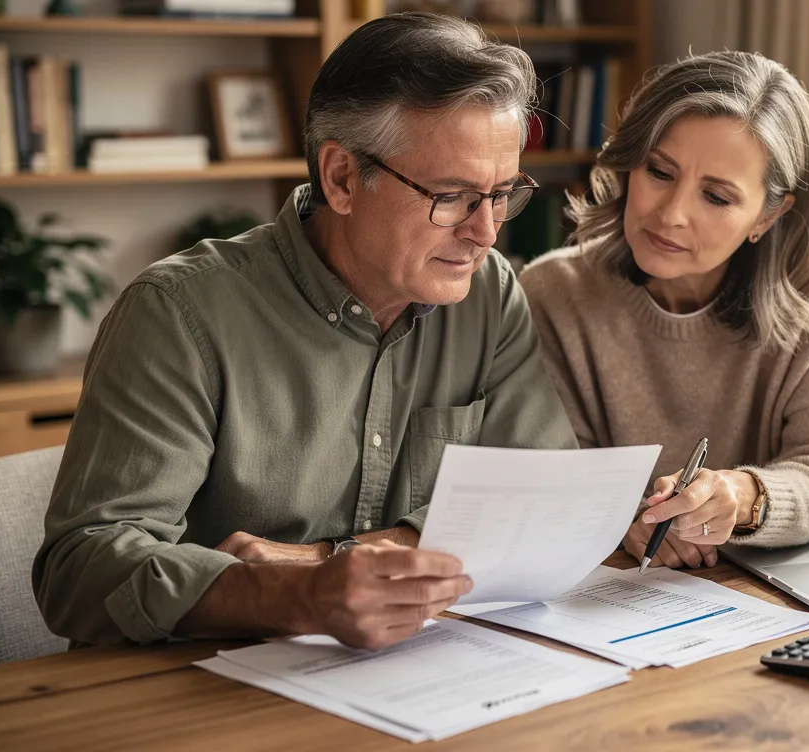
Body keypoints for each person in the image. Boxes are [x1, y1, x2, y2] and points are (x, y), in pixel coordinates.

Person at [33, 13, 576, 650]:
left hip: (418, 672)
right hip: (199, 694)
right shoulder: (178, 313)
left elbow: (545, 497)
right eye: (453, 196)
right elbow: (79, 571)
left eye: (503, 194)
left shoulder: (488, 293)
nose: (486, 233)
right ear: (342, 177)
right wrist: (293, 598)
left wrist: (330, 558)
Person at [520, 51, 809, 570]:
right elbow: (562, 478)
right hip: (632, 587)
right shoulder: (554, 294)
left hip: (793, 575)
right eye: (660, 171)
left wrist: (745, 496)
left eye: (716, 197)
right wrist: (626, 517)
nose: (671, 214)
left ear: (769, 214)